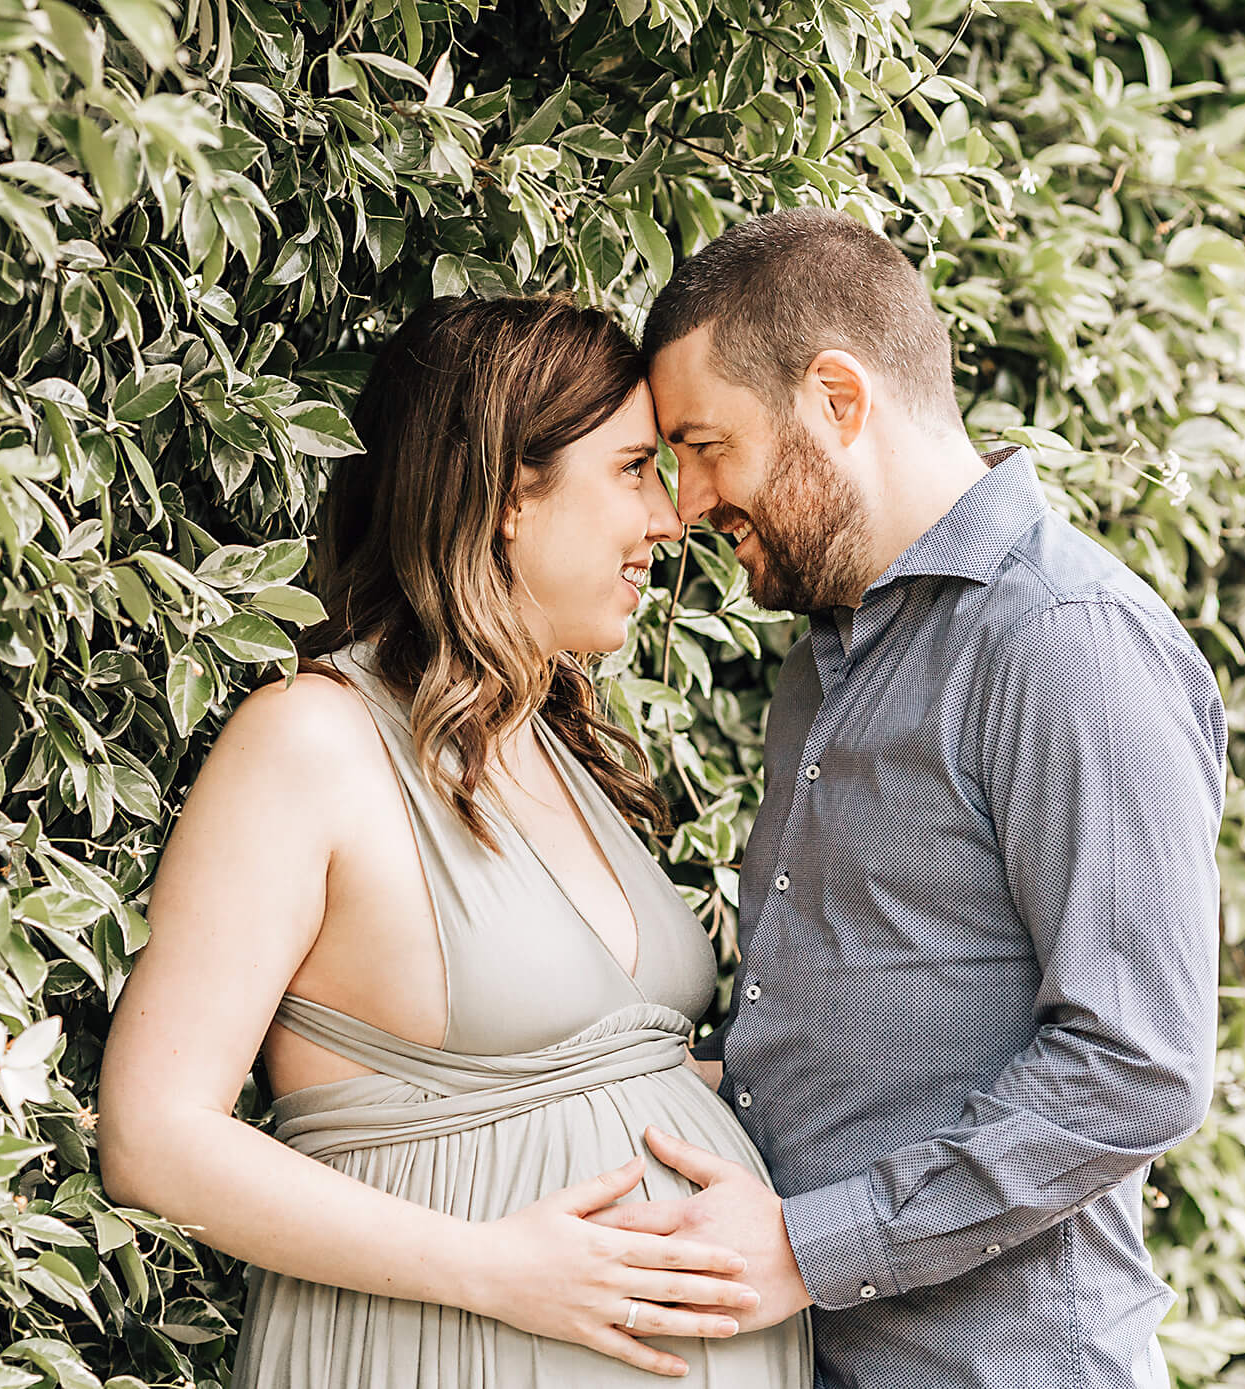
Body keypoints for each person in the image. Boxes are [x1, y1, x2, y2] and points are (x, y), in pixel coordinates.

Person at [96, 295, 811, 1387]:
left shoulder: (553, 744)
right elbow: (152, 1137)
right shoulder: (310, 744)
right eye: (629, 469)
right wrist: (490, 1269)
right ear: (508, 492)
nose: (666, 520)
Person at [590, 207, 1227, 1389]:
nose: (684, 506)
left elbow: (1137, 1062)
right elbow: (873, 1022)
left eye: (706, 444)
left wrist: (805, 1246)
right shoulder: (818, 664)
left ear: (836, 397)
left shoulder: (1060, 642)